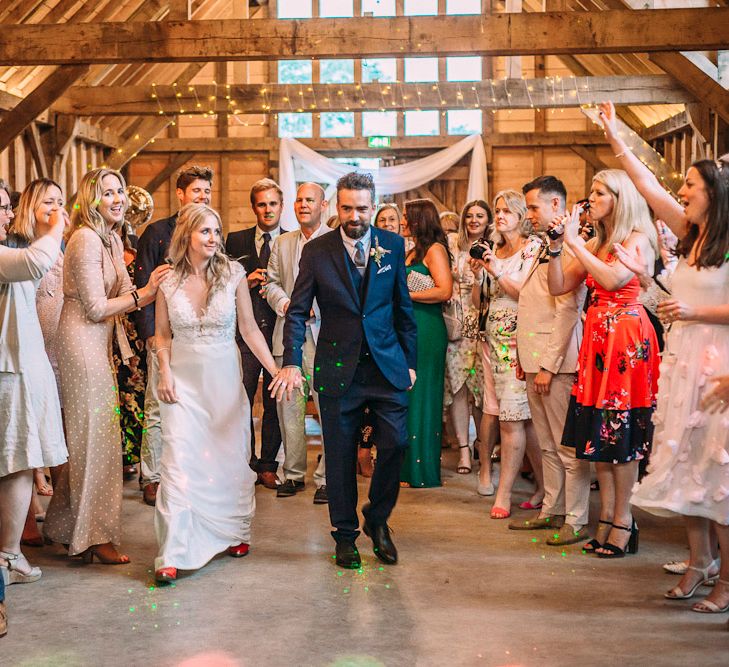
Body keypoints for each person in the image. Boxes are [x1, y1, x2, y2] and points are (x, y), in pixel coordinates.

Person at [600, 102, 729, 605]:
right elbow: (650, 188)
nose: (681, 194)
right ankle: (699, 563)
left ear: (712, 193)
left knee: (717, 476)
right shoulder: (693, 234)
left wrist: (694, 312)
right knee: (686, 469)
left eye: (690, 188)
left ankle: (727, 580)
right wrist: (616, 137)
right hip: (684, 364)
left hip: (720, 365)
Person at [271, 172, 417, 569]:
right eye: (348, 208)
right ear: (337, 207)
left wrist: (411, 363)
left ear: (374, 206)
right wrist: (290, 361)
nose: (355, 216)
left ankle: (378, 518)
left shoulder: (391, 244)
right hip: (338, 368)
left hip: (387, 368)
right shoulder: (318, 251)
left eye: (363, 208)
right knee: (338, 456)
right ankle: (345, 534)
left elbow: (403, 310)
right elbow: (298, 312)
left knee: (396, 443)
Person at [152, 204, 286, 584]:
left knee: (227, 459)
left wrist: (275, 371)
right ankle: (172, 552)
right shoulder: (167, 281)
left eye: (216, 231)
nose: (213, 239)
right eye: (205, 232)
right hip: (181, 381)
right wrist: (164, 372)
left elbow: (249, 328)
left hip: (225, 381)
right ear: (187, 236)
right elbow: (162, 334)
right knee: (178, 461)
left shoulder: (234, 274)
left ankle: (232, 532)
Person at [44, 168, 170, 564]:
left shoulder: (112, 238)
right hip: (80, 342)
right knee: (95, 442)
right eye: (108, 193)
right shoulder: (83, 239)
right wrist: (145, 295)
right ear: (92, 199)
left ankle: (65, 527)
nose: (117, 199)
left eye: (120, 192)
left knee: (93, 437)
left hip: (98, 346)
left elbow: (117, 295)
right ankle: (94, 536)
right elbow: (97, 307)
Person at [548, 163, 659, 558]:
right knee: (601, 436)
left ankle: (623, 520)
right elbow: (560, 285)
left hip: (625, 339)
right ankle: (608, 517)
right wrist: (560, 246)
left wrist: (577, 242)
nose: (590, 200)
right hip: (598, 343)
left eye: (598, 194)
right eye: (591, 193)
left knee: (621, 432)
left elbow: (613, 281)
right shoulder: (598, 242)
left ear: (619, 199)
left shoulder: (637, 238)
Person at [508, 176, 591, 546]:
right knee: (545, 445)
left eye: (534, 207)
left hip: (557, 363)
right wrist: (523, 356)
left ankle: (576, 518)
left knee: (566, 446)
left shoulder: (573, 248)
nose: (529, 215)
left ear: (556, 205)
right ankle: (551, 510)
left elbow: (566, 312)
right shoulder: (541, 245)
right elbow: (529, 304)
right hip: (533, 357)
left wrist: (548, 364)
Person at [0, 178, 67, 591]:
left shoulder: (10, 248)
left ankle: (8, 554)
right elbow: (33, 264)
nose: (7, 214)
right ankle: (9, 554)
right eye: (1, 207)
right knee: (15, 461)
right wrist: (56, 225)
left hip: (24, 363)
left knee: (19, 461)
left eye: (9, 207)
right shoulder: (14, 255)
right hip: (9, 368)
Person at [134, 165, 213, 506]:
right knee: (156, 407)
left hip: (198, 337)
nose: (202, 196)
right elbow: (144, 289)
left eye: (207, 191)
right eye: (197, 191)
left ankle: (188, 471)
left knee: (194, 405)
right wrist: (151, 334)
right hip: (164, 336)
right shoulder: (156, 233)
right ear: (180, 194)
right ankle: (151, 475)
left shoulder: (211, 231)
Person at [470, 190, 543, 519]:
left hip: (518, 341)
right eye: (497, 210)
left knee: (514, 419)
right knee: (518, 420)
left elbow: (524, 292)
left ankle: (504, 493)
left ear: (521, 216)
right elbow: (478, 301)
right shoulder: (493, 249)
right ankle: (546, 487)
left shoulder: (532, 249)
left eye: (506, 211)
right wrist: (477, 276)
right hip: (489, 341)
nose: (499, 216)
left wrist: (495, 268)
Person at [265, 182, 332, 503]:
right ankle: (292, 474)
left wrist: (314, 307)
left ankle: (327, 478)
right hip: (288, 335)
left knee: (328, 408)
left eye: (310, 200)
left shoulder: (334, 242)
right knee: (288, 409)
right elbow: (271, 283)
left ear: (324, 205)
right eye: (299, 200)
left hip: (325, 336)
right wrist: (287, 305)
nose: (303, 204)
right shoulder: (281, 243)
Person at [226, 179, 283, 490]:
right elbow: (221, 283)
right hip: (244, 334)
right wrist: (244, 283)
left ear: (280, 206)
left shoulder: (290, 240)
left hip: (278, 332)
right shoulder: (235, 240)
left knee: (275, 402)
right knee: (242, 399)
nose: (267, 209)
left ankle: (269, 465)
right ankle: (245, 462)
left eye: (273, 203)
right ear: (254, 207)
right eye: (262, 204)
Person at [400, 199, 452, 488]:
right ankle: (406, 468)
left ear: (420, 220)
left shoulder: (435, 250)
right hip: (408, 327)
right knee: (408, 395)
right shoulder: (411, 251)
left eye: (408, 218)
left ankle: (423, 471)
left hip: (428, 327)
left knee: (423, 396)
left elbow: (444, 290)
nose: (403, 222)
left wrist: (407, 296)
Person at [444, 200, 494, 478]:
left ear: (488, 221)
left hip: (484, 322)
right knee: (459, 390)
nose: (474, 220)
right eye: (470, 216)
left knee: (482, 392)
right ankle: (463, 448)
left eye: (480, 216)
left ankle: (481, 446)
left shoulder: (494, 247)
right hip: (456, 325)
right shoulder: (453, 245)